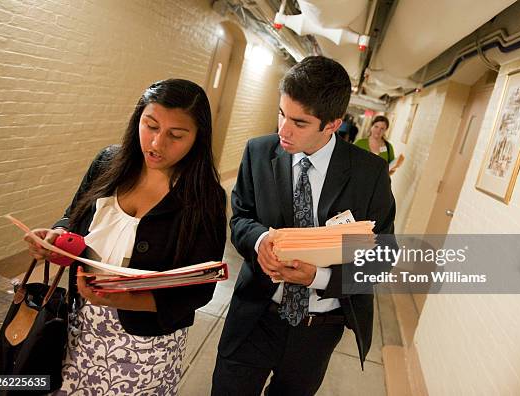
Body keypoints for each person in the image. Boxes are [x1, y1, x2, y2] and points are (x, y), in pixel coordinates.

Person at [23, 79, 227, 395]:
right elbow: (73, 217)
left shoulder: (204, 197)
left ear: (198, 138)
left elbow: (199, 289)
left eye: (176, 135)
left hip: (143, 348)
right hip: (77, 326)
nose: (157, 143)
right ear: (138, 120)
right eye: (151, 126)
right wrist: (56, 238)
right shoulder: (109, 162)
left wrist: (124, 299)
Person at [212, 56, 396, 395]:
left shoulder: (369, 175)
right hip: (255, 315)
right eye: (281, 113)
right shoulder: (258, 152)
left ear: (332, 124)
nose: (283, 129)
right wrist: (260, 240)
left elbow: (382, 256)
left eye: (299, 122)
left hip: (317, 329)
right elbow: (240, 218)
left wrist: (319, 277)